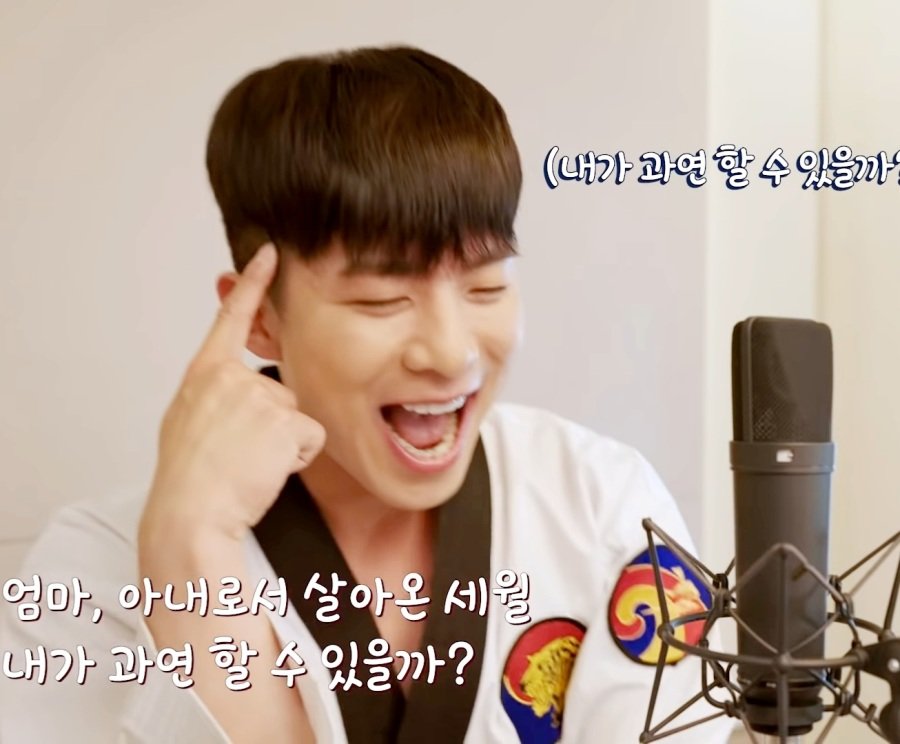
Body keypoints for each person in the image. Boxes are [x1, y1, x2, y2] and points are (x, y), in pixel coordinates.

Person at [0, 46, 734, 743]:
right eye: (382, 300)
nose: (451, 352)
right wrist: (191, 550)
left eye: (485, 288)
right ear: (260, 318)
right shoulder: (96, 566)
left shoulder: (604, 503)